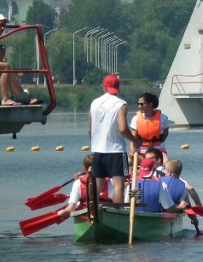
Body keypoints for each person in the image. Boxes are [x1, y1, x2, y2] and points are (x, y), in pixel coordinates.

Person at [89, 74, 140, 204]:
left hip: (98, 151)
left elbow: (90, 130)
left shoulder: (94, 103)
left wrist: (96, 143)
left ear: (104, 86)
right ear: (118, 88)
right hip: (116, 151)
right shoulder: (121, 104)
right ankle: (118, 212)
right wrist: (134, 141)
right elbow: (123, 128)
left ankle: (92, 210)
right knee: (118, 186)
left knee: (97, 186)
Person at [0, 13, 36, 106]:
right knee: (5, 66)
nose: (2, 28)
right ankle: (8, 98)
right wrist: (3, 49)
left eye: (4, 25)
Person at [57, 154, 114, 219]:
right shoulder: (111, 182)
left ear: (84, 168)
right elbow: (118, 205)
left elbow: (71, 208)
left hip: (86, 216)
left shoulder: (78, 183)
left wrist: (63, 212)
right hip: (107, 216)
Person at [130, 92, 170, 163]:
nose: (139, 106)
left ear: (150, 104)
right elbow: (132, 138)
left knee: (166, 161)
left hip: (158, 150)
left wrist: (155, 142)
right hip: (141, 150)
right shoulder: (135, 119)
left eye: (142, 104)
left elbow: (165, 134)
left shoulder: (163, 118)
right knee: (129, 161)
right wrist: (132, 152)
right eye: (138, 104)